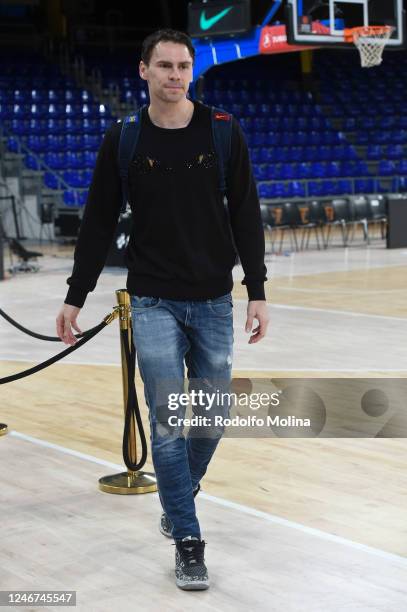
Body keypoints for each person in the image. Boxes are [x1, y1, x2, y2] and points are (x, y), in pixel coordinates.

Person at [56, 28, 269, 591]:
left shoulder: (223, 132)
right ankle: (190, 541)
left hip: (214, 300)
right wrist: (75, 296)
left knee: (215, 415)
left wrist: (259, 289)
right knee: (171, 423)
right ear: (144, 70)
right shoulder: (124, 138)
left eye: (183, 66)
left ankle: (176, 499)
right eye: (165, 66)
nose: (175, 75)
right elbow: (98, 222)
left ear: (191, 72)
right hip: (151, 301)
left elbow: (247, 213)